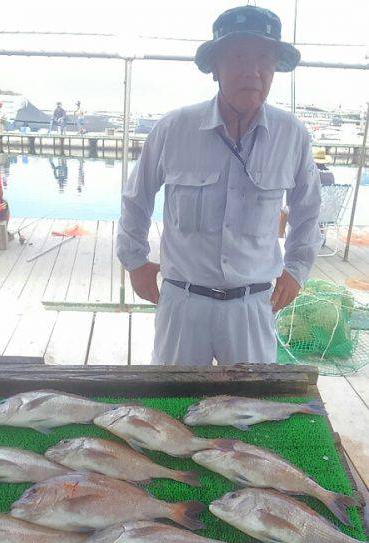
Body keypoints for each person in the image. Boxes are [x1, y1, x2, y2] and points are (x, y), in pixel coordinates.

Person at [117, 5, 321, 366]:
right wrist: (135, 261)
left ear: (275, 68)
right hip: (183, 303)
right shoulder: (172, 129)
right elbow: (136, 200)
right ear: (215, 68)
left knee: (249, 407)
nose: (252, 71)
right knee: (171, 403)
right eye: (238, 57)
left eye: (264, 59)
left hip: (253, 305)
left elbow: (308, 210)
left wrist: (297, 268)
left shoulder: (293, 136)